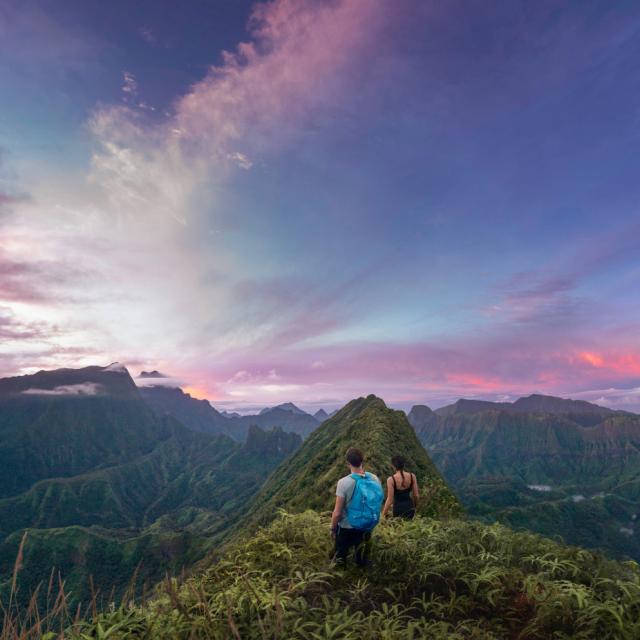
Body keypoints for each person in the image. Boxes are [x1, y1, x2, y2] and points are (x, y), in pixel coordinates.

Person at [330, 447, 384, 567]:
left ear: (347, 463)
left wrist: (333, 528)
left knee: (341, 558)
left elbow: (337, 512)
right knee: (362, 558)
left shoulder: (343, 483)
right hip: (366, 525)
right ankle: (364, 576)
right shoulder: (374, 479)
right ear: (362, 461)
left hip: (346, 527)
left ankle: (342, 581)